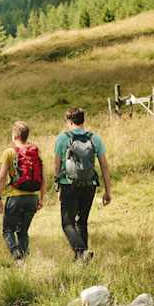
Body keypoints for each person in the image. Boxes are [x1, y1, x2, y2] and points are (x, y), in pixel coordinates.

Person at [52, 107, 112, 263]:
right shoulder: (95, 139)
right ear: (83, 120)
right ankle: (82, 260)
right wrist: (107, 191)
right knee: (82, 222)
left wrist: (57, 186)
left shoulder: (62, 139)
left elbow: (57, 165)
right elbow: (104, 166)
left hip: (69, 185)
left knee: (67, 223)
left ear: (69, 121)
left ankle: (81, 251)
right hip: (90, 185)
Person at [0, 121, 45, 260]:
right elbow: (43, 178)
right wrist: (41, 199)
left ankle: (17, 256)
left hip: (15, 198)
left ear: (15, 136)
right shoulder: (35, 152)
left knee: (8, 230)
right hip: (32, 198)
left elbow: (1, 177)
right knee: (23, 231)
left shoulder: (9, 152)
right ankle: (24, 260)